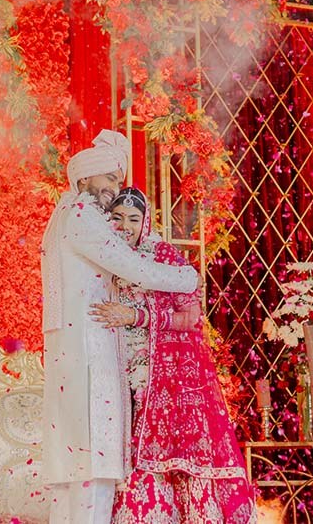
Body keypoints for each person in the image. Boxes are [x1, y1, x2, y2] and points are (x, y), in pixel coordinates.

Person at [42, 131, 201, 524]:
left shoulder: (69, 214)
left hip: (79, 349)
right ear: (85, 178)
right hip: (88, 350)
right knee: (92, 463)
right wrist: (187, 278)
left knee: (76, 469)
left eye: (118, 179)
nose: (115, 188)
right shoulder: (83, 216)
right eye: (110, 178)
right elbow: (133, 267)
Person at [90, 187, 257, 524]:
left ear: (145, 222)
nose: (125, 226)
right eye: (117, 218)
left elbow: (191, 317)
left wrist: (137, 316)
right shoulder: (101, 258)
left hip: (163, 374)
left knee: (165, 455)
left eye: (133, 219)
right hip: (114, 373)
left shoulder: (162, 256)